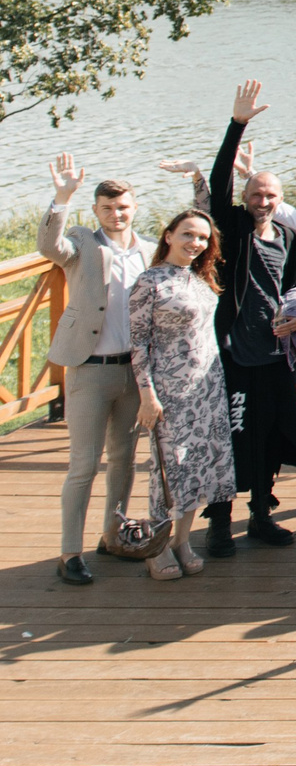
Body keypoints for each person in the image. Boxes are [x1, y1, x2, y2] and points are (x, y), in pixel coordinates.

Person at [39, 153, 150, 586]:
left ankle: (113, 535)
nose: (116, 214)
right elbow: (50, 246)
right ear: (96, 211)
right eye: (107, 208)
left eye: (123, 207)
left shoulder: (148, 252)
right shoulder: (83, 243)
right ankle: (70, 552)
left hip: (132, 374)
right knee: (83, 465)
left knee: (124, 461)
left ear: (134, 207)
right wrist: (62, 196)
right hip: (88, 369)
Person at [205, 99, 296, 553]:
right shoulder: (231, 226)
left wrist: (295, 315)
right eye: (255, 194)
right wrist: (238, 125)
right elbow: (218, 180)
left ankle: (260, 516)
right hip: (235, 352)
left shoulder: (290, 237)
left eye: (270, 196)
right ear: (245, 198)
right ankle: (218, 522)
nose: (263, 202)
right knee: (233, 434)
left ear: (279, 199)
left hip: (275, 355)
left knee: (269, 434)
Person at [128, 210, 236, 581]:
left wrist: (197, 178)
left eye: (203, 237)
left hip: (207, 387)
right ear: (169, 235)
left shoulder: (198, 277)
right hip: (169, 390)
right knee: (167, 470)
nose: (196, 242)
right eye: (188, 234)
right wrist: (147, 395)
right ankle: (156, 547)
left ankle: (183, 541)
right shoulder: (150, 281)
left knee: (199, 466)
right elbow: (138, 343)